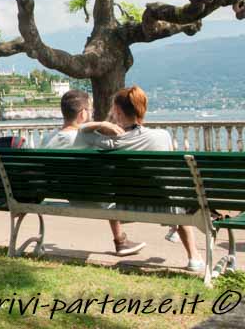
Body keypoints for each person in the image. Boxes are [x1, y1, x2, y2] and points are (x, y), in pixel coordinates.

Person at [77, 86, 206, 273]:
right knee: (176, 199)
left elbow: (81, 131)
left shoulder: (113, 142)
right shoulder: (163, 136)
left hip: (125, 206)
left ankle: (177, 232)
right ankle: (194, 257)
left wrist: (102, 125)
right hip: (166, 206)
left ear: (118, 111)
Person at [42, 89, 146, 257]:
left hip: (67, 195)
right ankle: (120, 241)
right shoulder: (86, 137)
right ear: (83, 114)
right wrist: (105, 125)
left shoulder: (47, 139)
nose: (92, 113)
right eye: (90, 110)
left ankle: (121, 241)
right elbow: (118, 146)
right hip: (96, 198)